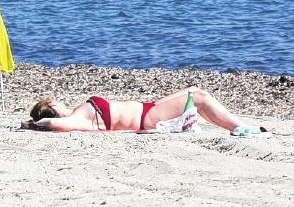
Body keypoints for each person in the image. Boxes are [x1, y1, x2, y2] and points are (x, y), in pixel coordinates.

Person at [21, 87, 269, 135]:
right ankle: (241, 128)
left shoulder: (79, 117)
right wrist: (32, 124)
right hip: (147, 118)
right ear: (51, 107)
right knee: (200, 97)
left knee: (194, 90)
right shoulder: (76, 118)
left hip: (149, 109)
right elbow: (55, 125)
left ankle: (239, 125)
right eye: (54, 101)